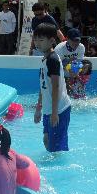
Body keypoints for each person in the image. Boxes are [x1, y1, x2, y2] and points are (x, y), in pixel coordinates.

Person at [33, 23, 71, 152]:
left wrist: (55, 113)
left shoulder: (53, 59)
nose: (37, 43)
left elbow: (56, 86)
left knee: (56, 148)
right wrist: (39, 107)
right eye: (36, 39)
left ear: (52, 40)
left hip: (59, 109)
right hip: (49, 109)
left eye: (41, 40)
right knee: (47, 140)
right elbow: (43, 85)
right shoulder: (45, 59)